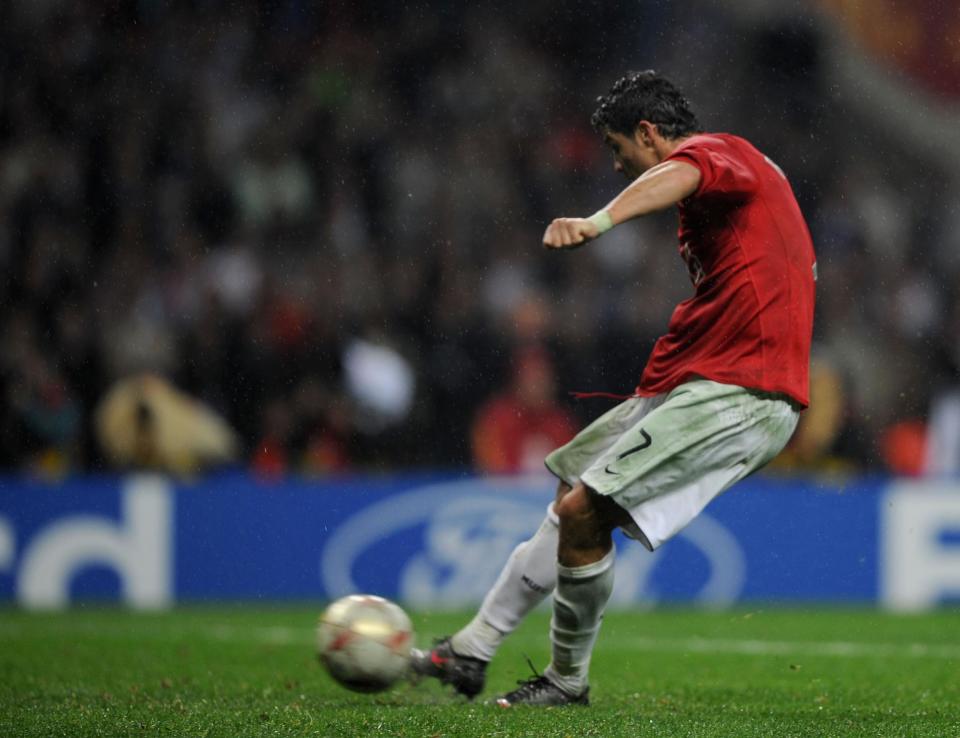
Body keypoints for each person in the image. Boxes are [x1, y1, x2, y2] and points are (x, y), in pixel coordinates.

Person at [411, 70, 816, 706]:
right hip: (695, 379)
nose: (617, 162)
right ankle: (471, 649)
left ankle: (566, 682)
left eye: (617, 147)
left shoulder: (720, 154)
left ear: (649, 133)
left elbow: (683, 170)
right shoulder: (728, 185)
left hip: (741, 391)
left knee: (583, 511)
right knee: (571, 498)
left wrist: (597, 221)